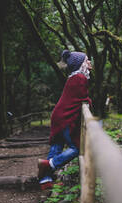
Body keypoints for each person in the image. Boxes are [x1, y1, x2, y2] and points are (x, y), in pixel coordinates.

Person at [38, 49, 92, 190]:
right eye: (87, 60)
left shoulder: (73, 77)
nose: (89, 62)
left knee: (57, 145)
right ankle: (50, 164)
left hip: (59, 116)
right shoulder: (80, 78)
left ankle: (45, 179)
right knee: (76, 147)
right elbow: (84, 99)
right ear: (81, 64)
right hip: (64, 118)